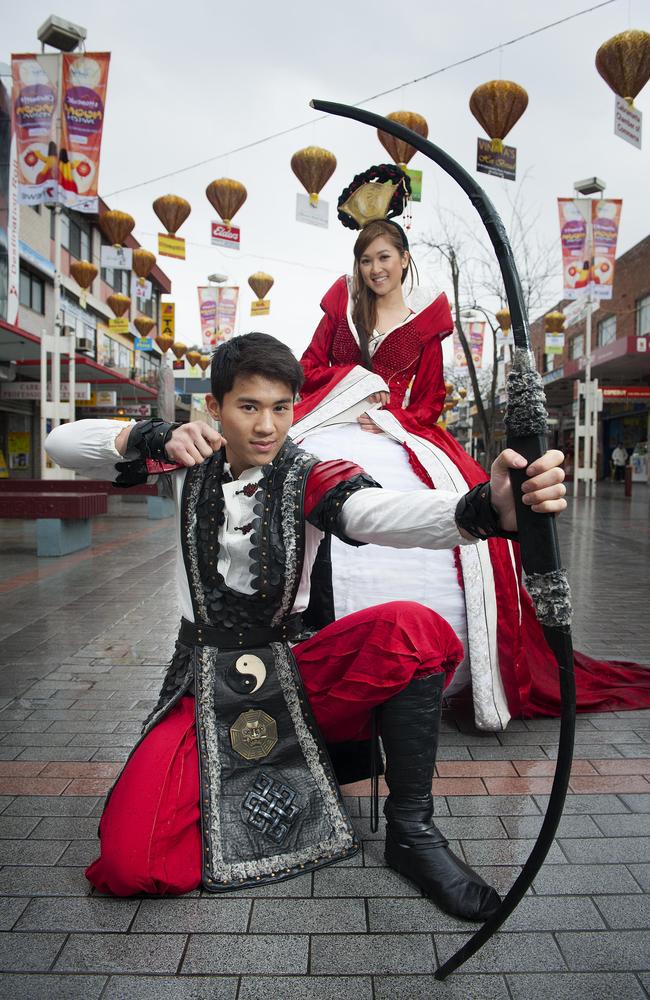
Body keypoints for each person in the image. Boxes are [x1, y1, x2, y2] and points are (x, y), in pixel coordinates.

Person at [45, 332, 566, 922]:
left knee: (412, 630)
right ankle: (267, 780)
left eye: (281, 408)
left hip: (295, 675)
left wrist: (484, 509)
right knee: (131, 865)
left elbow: (378, 513)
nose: (267, 426)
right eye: (249, 407)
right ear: (214, 408)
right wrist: (150, 434)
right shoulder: (184, 460)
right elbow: (61, 443)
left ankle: (412, 833)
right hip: (202, 683)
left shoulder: (308, 474)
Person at [292, 165, 650, 726]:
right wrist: (352, 392)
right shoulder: (341, 306)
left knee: (471, 531)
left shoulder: (428, 319)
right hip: (334, 425)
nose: (375, 268)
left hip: (397, 432)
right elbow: (310, 368)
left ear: (404, 259)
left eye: (385, 257)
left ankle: (439, 659)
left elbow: (429, 399)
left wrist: (389, 418)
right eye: (366, 260)